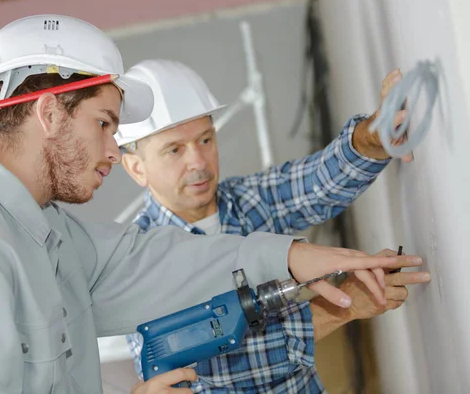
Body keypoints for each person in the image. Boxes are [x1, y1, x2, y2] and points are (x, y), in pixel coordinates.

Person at [0, 15, 407, 394]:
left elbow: (148, 262)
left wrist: (288, 257)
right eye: (104, 124)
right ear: (51, 114)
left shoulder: (43, 229)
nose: (112, 151)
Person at [116, 59, 429, 393]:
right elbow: (215, 373)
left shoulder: (248, 201)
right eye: (174, 150)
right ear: (137, 168)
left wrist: (373, 137)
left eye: (205, 140)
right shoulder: (136, 262)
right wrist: (344, 304)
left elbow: (318, 181)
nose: (198, 162)